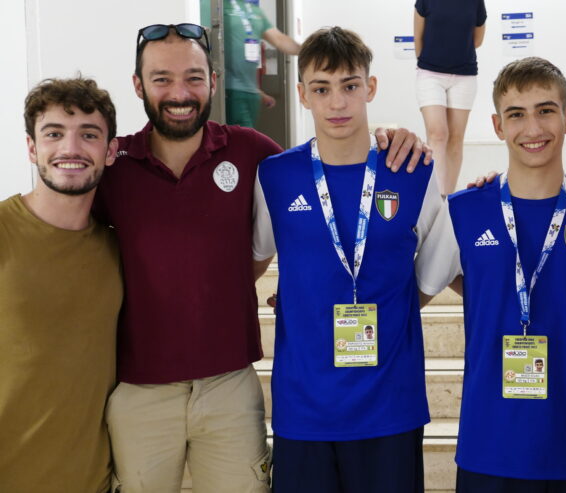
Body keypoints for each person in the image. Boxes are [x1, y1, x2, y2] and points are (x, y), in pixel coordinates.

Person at [94, 23, 430, 493]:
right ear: (138, 84)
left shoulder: (251, 153)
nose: (180, 93)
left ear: (213, 81)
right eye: (162, 78)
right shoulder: (114, 167)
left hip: (229, 386)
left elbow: (328, 167)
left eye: (193, 77)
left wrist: (389, 135)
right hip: (141, 387)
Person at [252, 26, 446, 492]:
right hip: (304, 408)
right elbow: (254, 258)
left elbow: (430, 276)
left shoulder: (412, 170)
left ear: (370, 88)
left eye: (349, 86)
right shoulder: (275, 176)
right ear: (302, 94)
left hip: (390, 405)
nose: (337, 103)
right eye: (321, 89)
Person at [417, 57, 566, 492]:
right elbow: (417, 290)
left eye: (545, 110)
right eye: (516, 114)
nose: (532, 128)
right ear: (497, 126)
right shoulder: (463, 212)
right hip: (489, 443)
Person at [0, 77, 122, 492]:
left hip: (90, 481)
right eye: (54, 134)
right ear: (32, 148)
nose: (71, 148)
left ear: (110, 151)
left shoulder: (117, 249)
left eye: (88, 134)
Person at [414, 0, 486, 196]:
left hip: (464, 75)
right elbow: (418, 37)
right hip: (430, 74)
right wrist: (431, 62)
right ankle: (435, 199)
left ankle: (447, 198)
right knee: (437, 133)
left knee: (455, 138)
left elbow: (477, 40)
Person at [224, 0, 301, 127]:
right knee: (243, 136)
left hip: (252, 92)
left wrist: (310, 50)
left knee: (248, 135)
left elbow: (279, 40)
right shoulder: (219, 6)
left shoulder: (255, 11)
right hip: (230, 90)